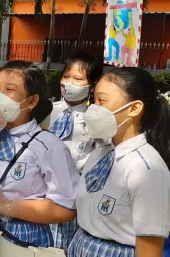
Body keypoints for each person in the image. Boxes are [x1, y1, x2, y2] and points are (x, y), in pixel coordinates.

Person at [0, 61, 80, 257]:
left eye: (9, 90)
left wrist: (10, 206)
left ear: (32, 101)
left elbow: (66, 208)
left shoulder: (48, 145)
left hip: (20, 235)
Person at [68, 67, 170, 257]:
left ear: (134, 108)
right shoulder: (99, 155)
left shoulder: (147, 169)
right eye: (93, 100)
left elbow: (149, 249)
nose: (93, 108)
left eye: (102, 101)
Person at [47, 52, 103, 251]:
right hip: (43, 192)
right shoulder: (47, 111)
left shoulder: (96, 119)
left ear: (93, 85)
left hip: (76, 196)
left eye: (78, 79)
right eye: (66, 76)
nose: (69, 83)